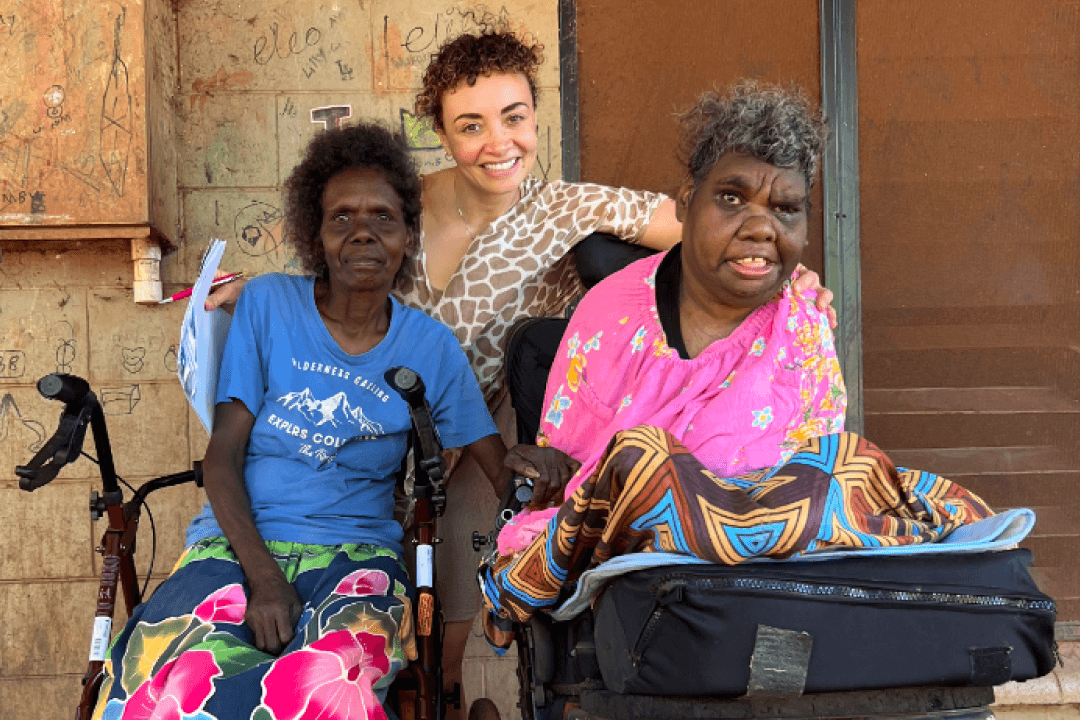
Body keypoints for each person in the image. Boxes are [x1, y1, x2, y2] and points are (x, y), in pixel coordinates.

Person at [205, 26, 837, 709]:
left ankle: (445, 700)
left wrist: (799, 285)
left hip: (472, 441)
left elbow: (707, 227)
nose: (498, 143)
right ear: (443, 134)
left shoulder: (566, 208)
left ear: (537, 119)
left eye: (514, 118)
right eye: (471, 125)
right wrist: (256, 290)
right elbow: (338, 267)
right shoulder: (402, 203)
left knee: (436, 633)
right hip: (369, 439)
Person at [480, 81, 995, 630]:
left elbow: (806, 483)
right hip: (635, 582)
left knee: (849, 467)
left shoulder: (801, 328)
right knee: (645, 458)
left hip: (762, 587)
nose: (759, 228)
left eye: (785, 208)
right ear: (686, 201)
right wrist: (560, 470)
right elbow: (583, 481)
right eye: (731, 198)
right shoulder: (609, 315)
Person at [92, 123, 507, 720]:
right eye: (341, 217)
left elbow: (497, 465)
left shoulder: (430, 347)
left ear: (408, 234)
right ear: (316, 233)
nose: (362, 231)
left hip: (358, 558)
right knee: (167, 687)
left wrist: (536, 467)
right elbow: (222, 458)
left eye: (383, 217)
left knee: (325, 690)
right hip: (232, 546)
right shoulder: (267, 305)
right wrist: (264, 579)